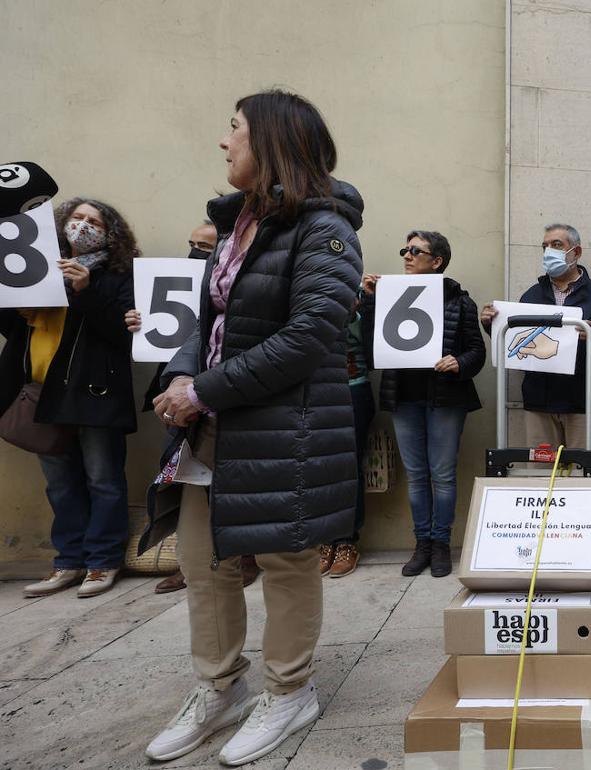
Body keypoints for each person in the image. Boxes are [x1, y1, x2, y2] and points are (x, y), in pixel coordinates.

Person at [140, 90, 363, 765]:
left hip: (281, 430)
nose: (223, 142)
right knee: (202, 560)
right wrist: (181, 376)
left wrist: (203, 389)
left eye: (233, 129)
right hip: (215, 422)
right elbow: (203, 322)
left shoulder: (326, 227)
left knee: (284, 559)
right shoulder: (237, 226)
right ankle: (219, 686)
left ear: (270, 142)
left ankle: (290, 690)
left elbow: (310, 335)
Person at [4, 198, 139, 599]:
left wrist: (84, 290)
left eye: (94, 221)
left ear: (110, 232)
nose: (83, 226)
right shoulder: (36, 267)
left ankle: (102, 562)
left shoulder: (120, 273)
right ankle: (68, 561)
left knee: (103, 480)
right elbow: (13, 330)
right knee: (60, 483)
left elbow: (122, 333)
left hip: (95, 393)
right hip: (43, 393)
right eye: (77, 218)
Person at [125, 222, 261, 594]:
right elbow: (193, 332)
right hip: (183, 398)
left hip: (229, 395)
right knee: (191, 479)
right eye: (193, 245)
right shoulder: (190, 283)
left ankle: (244, 556)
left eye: (206, 246)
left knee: (240, 486)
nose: (197, 253)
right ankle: (197, 562)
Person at [362, 231, 485, 578]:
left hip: (445, 398)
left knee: (443, 475)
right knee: (416, 476)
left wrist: (458, 363)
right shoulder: (388, 296)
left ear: (437, 261)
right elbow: (373, 348)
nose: (407, 255)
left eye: (416, 250)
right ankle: (422, 545)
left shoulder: (460, 301)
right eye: (405, 249)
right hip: (404, 397)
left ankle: (442, 544)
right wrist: (371, 301)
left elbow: (477, 352)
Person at [480, 223, 591, 448]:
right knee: (541, 477)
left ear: (576, 252)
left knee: (582, 478)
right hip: (539, 405)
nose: (549, 252)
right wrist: (490, 324)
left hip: (583, 404)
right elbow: (513, 345)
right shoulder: (531, 296)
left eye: (557, 245)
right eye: (545, 247)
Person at [317, 280, 376, 578]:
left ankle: (346, 541)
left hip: (353, 390)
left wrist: (358, 308)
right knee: (319, 468)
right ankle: (324, 539)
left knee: (349, 468)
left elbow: (371, 344)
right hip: (314, 393)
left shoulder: (358, 292)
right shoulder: (304, 284)